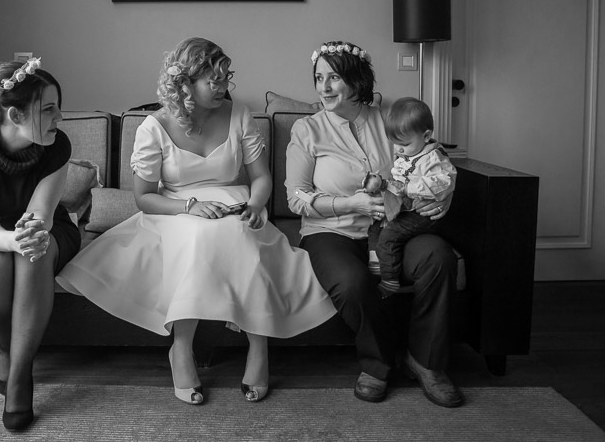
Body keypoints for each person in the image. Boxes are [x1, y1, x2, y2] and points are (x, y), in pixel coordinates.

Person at [57, 37, 336, 405]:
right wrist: (189, 206)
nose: (223, 88)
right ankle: (182, 348)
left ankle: (259, 346)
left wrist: (254, 204)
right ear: (185, 84)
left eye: (226, 79)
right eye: (213, 81)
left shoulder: (239, 114)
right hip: (173, 209)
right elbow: (144, 197)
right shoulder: (152, 127)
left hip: (235, 201)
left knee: (239, 233)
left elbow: (262, 178)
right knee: (198, 237)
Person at [285, 41, 464, 408]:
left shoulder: (386, 120)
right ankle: (377, 364)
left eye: (334, 77)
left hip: (391, 227)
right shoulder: (307, 130)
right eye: (319, 78)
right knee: (352, 283)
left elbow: (430, 157)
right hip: (329, 232)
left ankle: (426, 362)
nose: (324, 87)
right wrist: (349, 202)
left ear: (356, 79)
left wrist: (444, 195)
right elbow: (296, 198)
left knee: (438, 258)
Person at [0, 58, 81, 430]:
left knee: (34, 256)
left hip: (46, 228)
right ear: (15, 115)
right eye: (50, 109)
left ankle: (20, 375)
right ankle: (7, 346)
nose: (60, 117)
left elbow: (41, 213)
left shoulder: (57, 146)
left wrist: (27, 237)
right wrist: (11, 240)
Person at [363, 97, 456, 298]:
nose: (398, 150)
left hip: (421, 213)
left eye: (403, 144)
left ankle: (389, 280)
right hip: (405, 206)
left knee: (390, 235)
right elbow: (398, 180)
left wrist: (407, 188)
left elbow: (444, 182)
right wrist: (383, 184)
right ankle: (377, 263)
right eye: (394, 144)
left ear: (426, 135)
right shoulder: (411, 152)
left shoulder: (434, 158)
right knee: (375, 226)